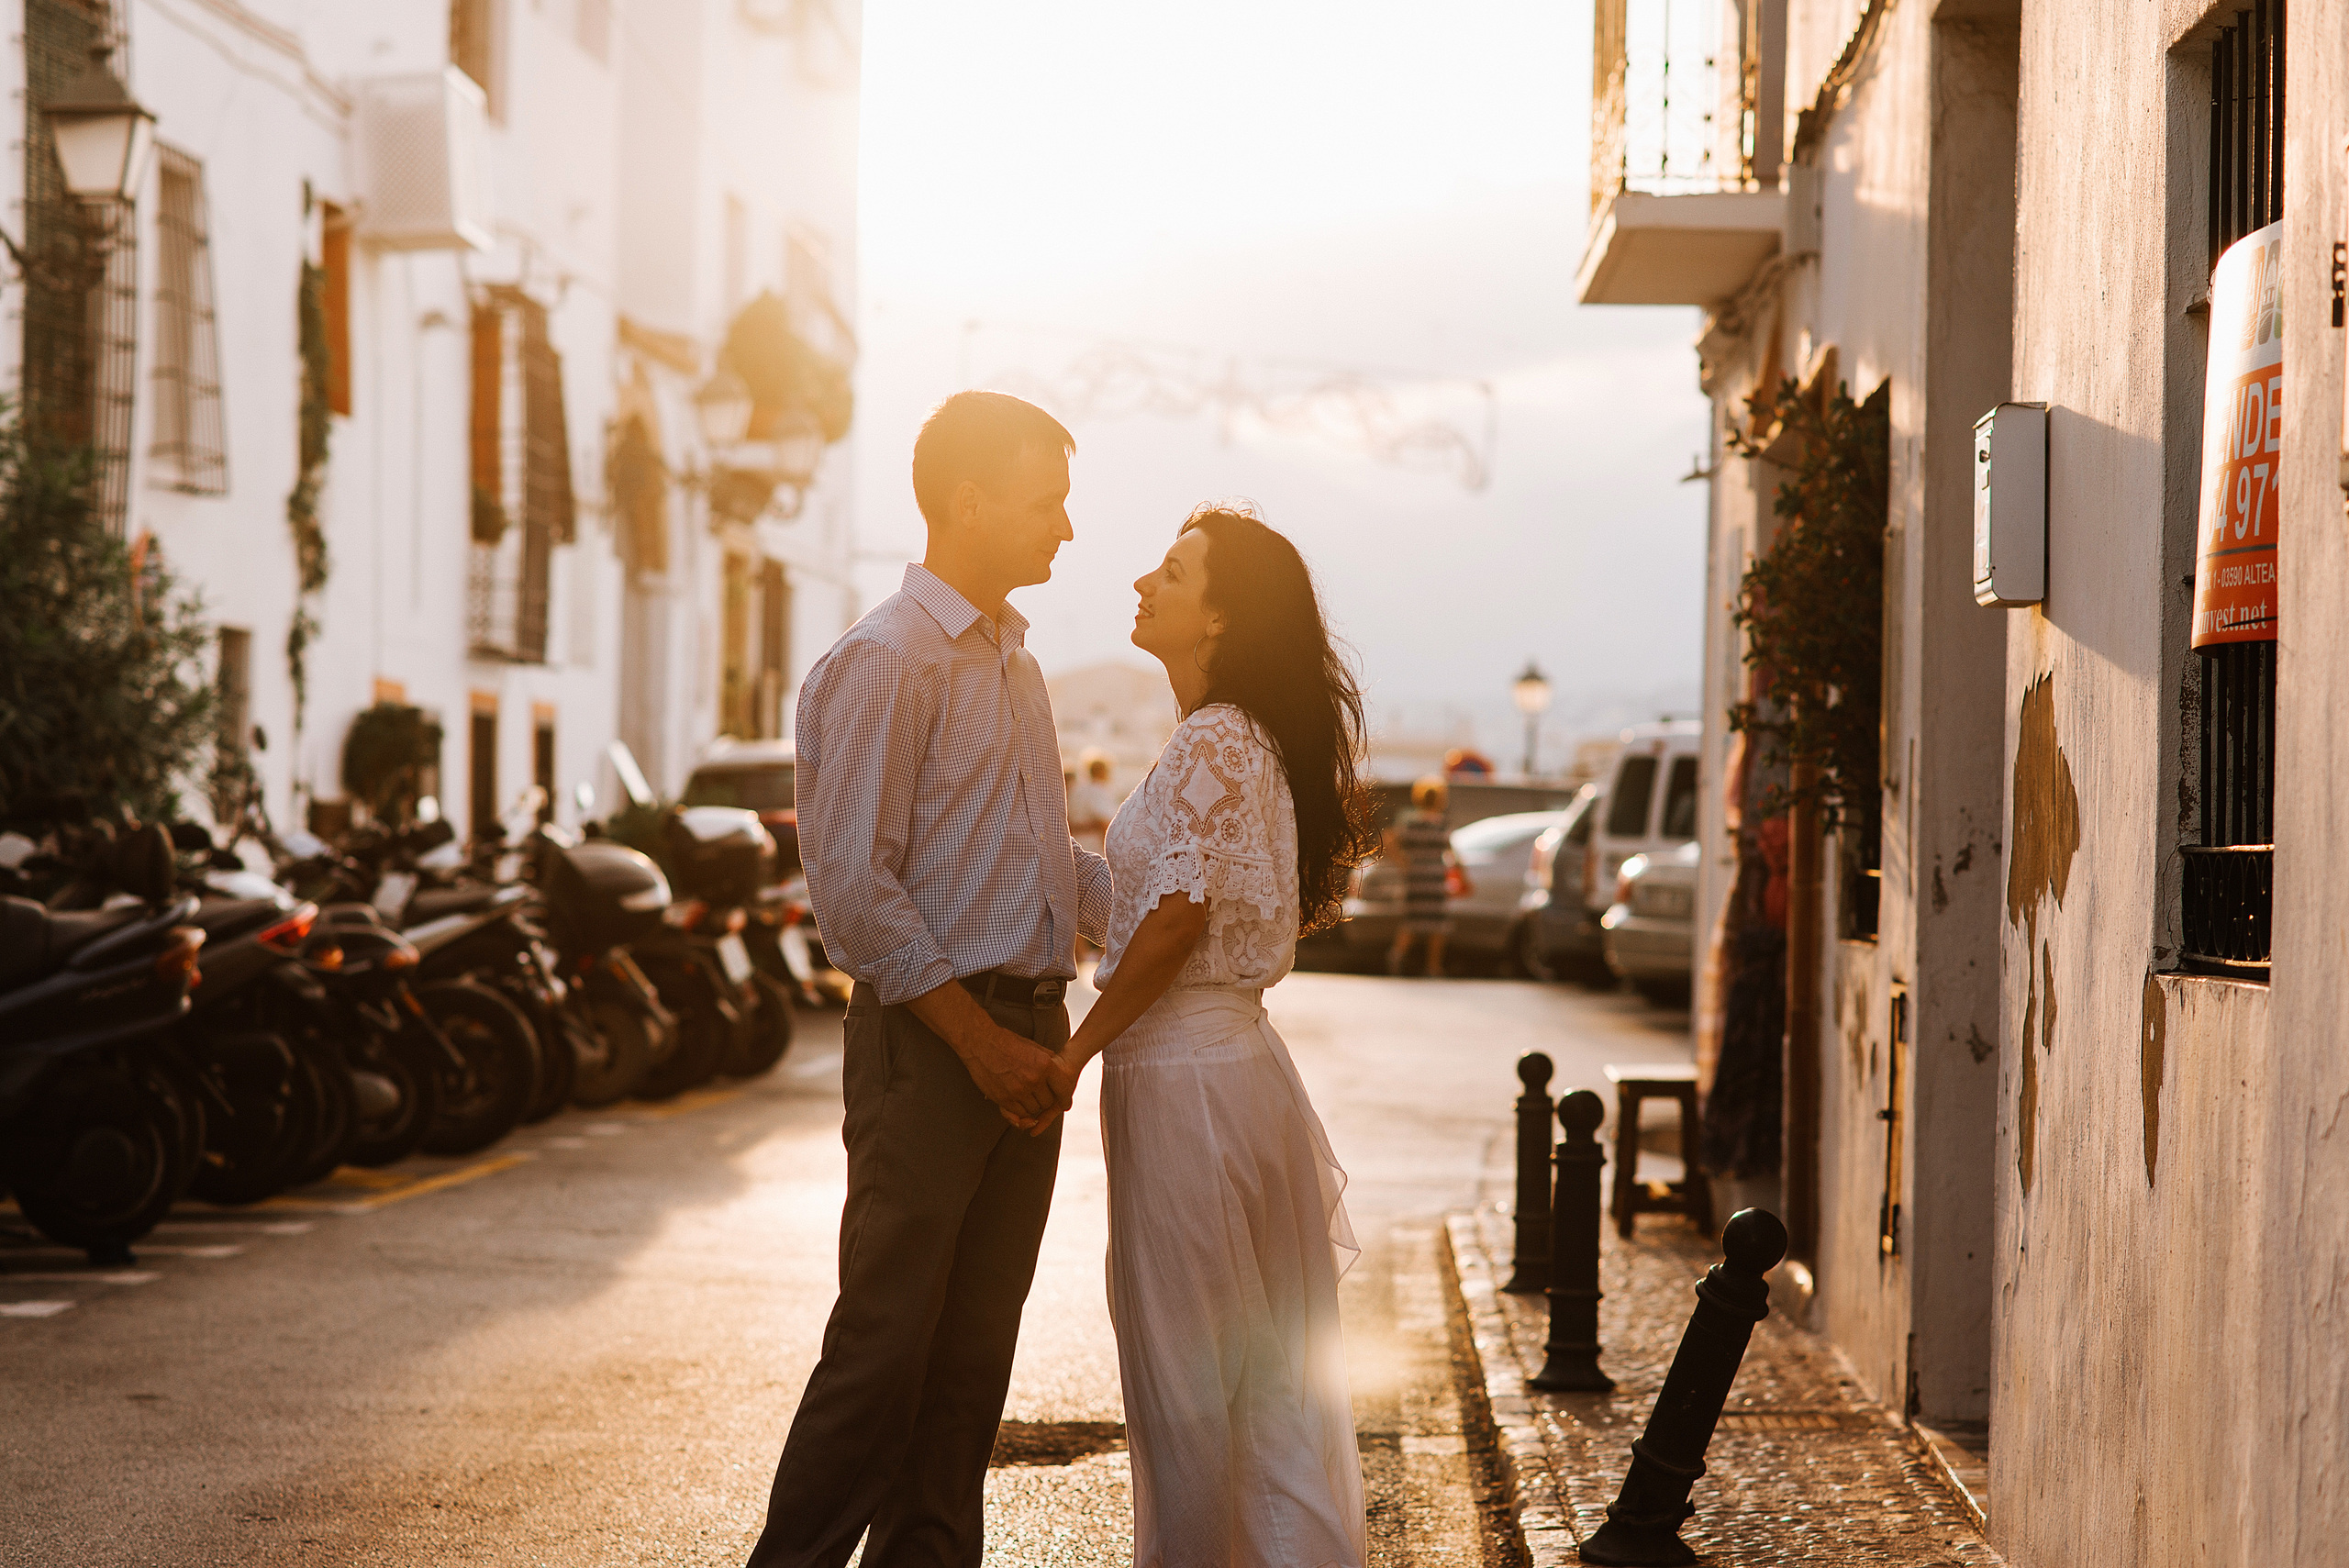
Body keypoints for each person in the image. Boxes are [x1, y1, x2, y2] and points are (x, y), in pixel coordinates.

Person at [742, 390, 1108, 1568]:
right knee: (883, 1352)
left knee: (969, 1367)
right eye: (1047, 501)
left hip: (1028, 1046)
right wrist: (979, 1042)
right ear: (968, 500)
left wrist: (1199, 904)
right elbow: (855, 890)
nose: (1065, 527)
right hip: (937, 1047)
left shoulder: (1017, 664)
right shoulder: (884, 661)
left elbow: (1048, 864)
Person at [1047, 502, 1378, 1568]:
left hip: (1189, 1082)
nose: (1142, 582)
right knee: (1247, 1384)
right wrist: (1043, 846)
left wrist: (1072, 1050)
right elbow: (1146, 910)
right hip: (1213, 1074)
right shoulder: (1228, 740)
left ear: (1223, 617)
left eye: (1173, 571)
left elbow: (1177, 921)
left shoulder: (1219, 738)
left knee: (1201, 1393)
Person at [1386, 775, 1461, 977]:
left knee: (1412, 920)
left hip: (1415, 877)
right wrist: (1462, 874)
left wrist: (1403, 863)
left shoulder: (1411, 823)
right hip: (1435, 878)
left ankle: (1396, 956)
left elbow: (1389, 839)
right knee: (1437, 924)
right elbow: (1452, 853)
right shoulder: (1442, 825)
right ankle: (1433, 966)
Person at [1067, 751, 1119, 859]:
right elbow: (1105, 821)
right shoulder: (1098, 790)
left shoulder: (1076, 790)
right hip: (1093, 844)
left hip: (1075, 842)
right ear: (1102, 771)